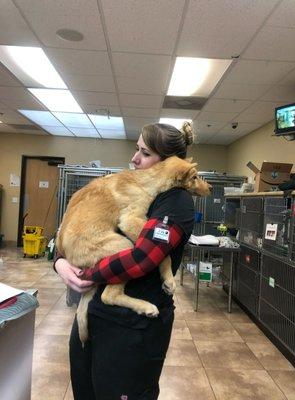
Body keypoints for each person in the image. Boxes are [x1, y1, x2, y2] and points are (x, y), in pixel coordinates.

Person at [54, 122, 196, 400]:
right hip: (95, 315)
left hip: (132, 329)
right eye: (136, 149)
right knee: (85, 392)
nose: (134, 158)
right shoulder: (127, 184)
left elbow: (142, 259)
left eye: (144, 153)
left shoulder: (176, 202)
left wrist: (87, 275)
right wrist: (59, 261)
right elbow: (72, 226)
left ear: (166, 163)